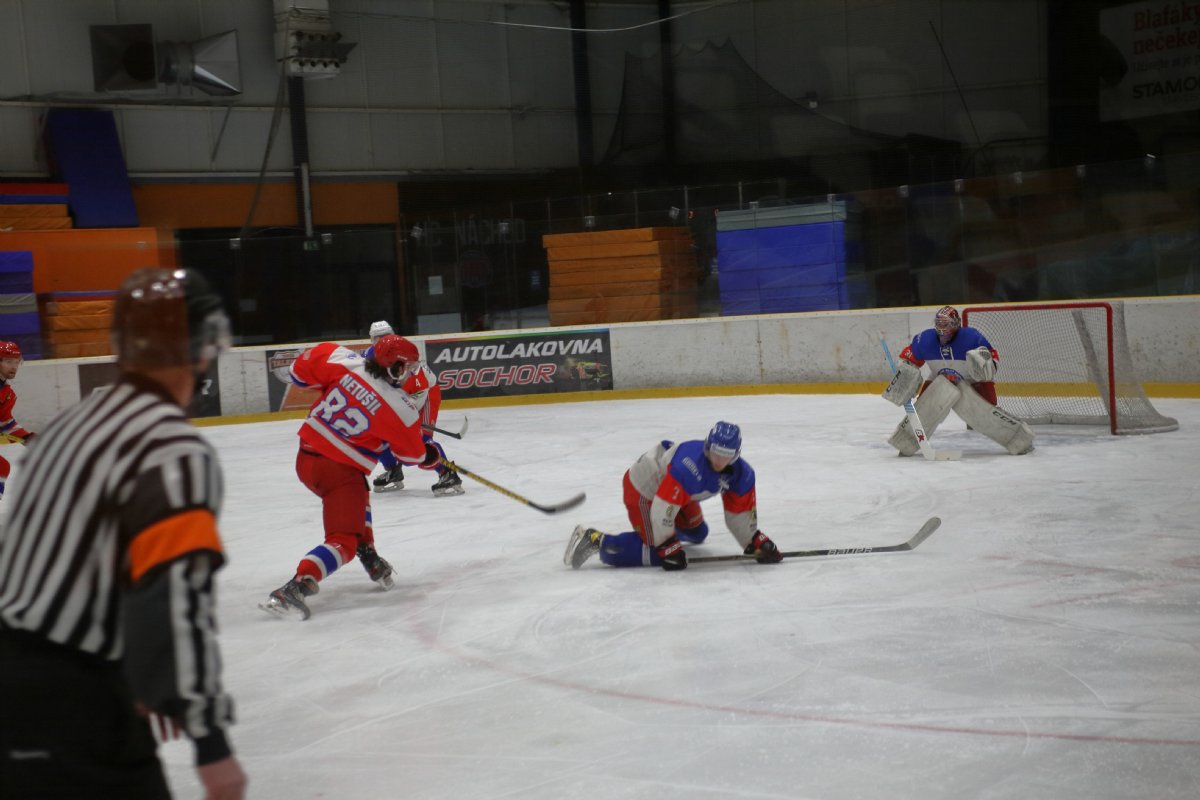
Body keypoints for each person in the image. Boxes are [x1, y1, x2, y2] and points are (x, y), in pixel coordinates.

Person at [0, 267, 246, 799]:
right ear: (202, 349)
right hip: (75, 700)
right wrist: (210, 742)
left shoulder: (70, 425)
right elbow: (171, 599)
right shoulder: (172, 451)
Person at [263, 334, 440, 620]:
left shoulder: (342, 360)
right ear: (394, 367)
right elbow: (412, 457)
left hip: (306, 459)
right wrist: (430, 456)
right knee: (342, 541)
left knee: (360, 494)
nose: (409, 373)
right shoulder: (401, 408)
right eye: (406, 367)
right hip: (338, 474)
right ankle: (296, 587)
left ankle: (367, 551)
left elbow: (299, 373)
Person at [564, 421, 782, 570]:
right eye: (715, 452)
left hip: (678, 493)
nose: (718, 460)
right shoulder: (687, 468)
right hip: (644, 490)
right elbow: (661, 510)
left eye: (725, 455)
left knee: (698, 532)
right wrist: (666, 545)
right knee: (658, 553)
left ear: (736, 455)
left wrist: (753, 542)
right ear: (708, 446)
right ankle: (596, 541)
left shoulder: (743, 475)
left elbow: (739, 514)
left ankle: (666, 535)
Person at [883, 305, 1034, 455]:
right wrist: (904, 375)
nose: (941, 329)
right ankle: (906, 441)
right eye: (939, 324)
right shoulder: (925, 339)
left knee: (986, 414)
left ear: (955, 324)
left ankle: (1019, 439)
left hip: (971, 381)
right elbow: (908, 360)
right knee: (924, 411)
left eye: (946, 324)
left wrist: (987, 365)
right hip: (938, 379)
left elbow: (992, 357)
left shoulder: (971, 337)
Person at [363, 322, 463, 497]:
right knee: (377, 437)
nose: (382, 341)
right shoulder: (369, 356)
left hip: (425, 395)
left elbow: (413, 393)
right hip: (401, 398)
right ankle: (393, 470)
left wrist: (408, 418)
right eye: (378, 338)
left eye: (385, 336)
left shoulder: (406, 359)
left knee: (422, 440)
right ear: (372, 339)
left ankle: (448, 473)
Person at [0, 340, 35, 497]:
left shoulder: (7, 394)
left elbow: (5, 424)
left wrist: (28, 438)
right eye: (8, 361)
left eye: (16, 362)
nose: (14, 366)